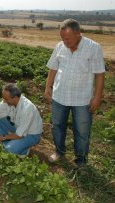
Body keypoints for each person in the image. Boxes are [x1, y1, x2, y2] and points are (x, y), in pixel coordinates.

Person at [45, 19, 105, 167]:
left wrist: (97, 97)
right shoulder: (59, 47)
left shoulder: (93, 48)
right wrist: (48, 87)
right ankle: (59, 151)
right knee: (57, 126)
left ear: (78, 33)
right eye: (62, 38)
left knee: (82, 131)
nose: (65, 42)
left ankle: (81, 160)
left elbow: (99, 75)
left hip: (82, 99)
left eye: (68, 38)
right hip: (60, 96)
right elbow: (53, 68)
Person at [0, 83, 43, 157]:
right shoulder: (7, 101)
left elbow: (20, 135)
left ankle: (23, 150)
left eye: (6, 99)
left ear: (15, 97)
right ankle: (7, 142)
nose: (4, 101)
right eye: (3, 98)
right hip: (18, 128)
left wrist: (3, 137)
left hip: (31, 135)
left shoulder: (27, 109)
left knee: (9, 151)